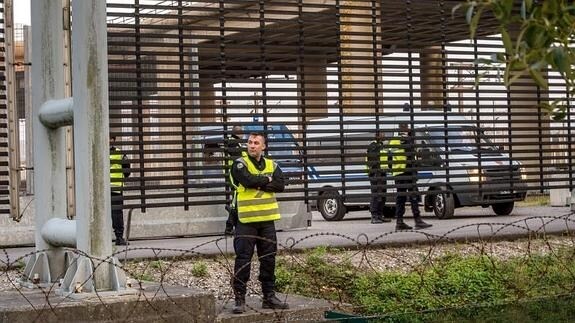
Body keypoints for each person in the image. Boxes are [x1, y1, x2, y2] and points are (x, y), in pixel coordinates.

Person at [230, 132, 289, 314]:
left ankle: (269, 296)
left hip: (267, 222)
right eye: (249, 142)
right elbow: (247, 180)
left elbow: (280, 185)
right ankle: (239, 298)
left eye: (256, 143)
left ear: (263, 147)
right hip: (246, 221)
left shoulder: (272, 164)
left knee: (268, 260)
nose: (252, 145)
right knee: (243, 260)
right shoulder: (240, 164)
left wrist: (260, 183)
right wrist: (267, 180)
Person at [389, 123, 432, 231]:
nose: (408, 128)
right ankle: (417, 220)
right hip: (405, 172)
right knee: (411, 197)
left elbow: (390, 158)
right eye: (407, 126)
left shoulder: (395, 140)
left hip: (399, 173)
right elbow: (409, 156)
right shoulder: (404, 140)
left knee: (402, 198)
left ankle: (400, 222)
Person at [225, 126, 247, 235]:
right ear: (239, 133)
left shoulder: (235, 143)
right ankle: (229, 227)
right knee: (235, 203)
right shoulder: (233, 143)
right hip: (235, 176)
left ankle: (232, 227)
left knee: (236, 202)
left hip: (236, 175)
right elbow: (239, 158)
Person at [366, 130, 391, 224]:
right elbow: (372, 160)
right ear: (377, 135)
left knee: (383, 195)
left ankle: (380, 215)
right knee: (376, 195)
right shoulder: (373, 146)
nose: (384, 134)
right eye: (382, 133)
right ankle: (374, 216)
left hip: (382, 173)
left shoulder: (382, 146)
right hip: (375, 174)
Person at [110, 136, 131, 246]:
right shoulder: (120, 153)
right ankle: (119, 237)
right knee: (117, 213)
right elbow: (127, 170)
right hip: (116, 187)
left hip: (103, 189)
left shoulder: (97, 150)